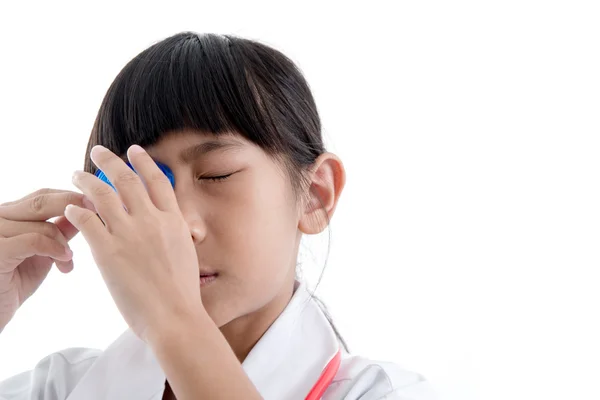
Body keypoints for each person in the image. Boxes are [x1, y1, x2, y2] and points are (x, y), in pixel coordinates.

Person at [0, 32, 438, 399]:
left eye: (216, 175)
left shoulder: (385, 391)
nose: (179, 224)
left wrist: (173, 322)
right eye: (141, 184)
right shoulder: (57, 388)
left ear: (314, 196)